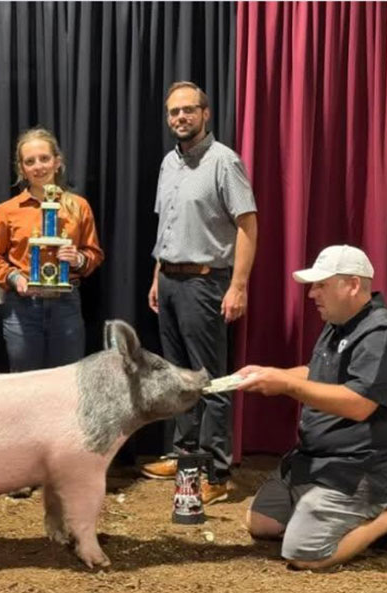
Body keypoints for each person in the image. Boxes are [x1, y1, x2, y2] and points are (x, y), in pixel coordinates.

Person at [237, 245, 387, 569]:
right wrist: (270, 374)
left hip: (355, 469)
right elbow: (319, 375)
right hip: (312, 460)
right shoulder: (337, 323)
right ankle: (330, 514)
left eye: (321, 284)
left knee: (302, 555)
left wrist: (285, 385)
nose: (312, 293)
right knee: (261, 523)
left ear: (353, 285)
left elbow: (359, 404)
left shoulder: (385, 333)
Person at [141, 81, 258, 506]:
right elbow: (166, 226)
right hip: (170, 280)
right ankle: (184, 455)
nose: (180, 118)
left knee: (211, 380)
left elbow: (247, 225)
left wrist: (238, 285)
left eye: (188, 110)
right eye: (174, 112)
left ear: (205, 114)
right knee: (178, 377)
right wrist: (158, 276)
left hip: (206, 283)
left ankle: (217, 471)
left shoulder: (224, 162)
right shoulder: (168, 164)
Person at [0, 127, 104, 372]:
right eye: (30, 161)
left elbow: (95, 254)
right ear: (22, 169)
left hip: (66, 304)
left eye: (44, 158)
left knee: (67, 381)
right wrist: (14, 277)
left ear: (57, 162)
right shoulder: (8, 210)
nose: (38, 166)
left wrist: (78, 259)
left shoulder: (78, 207)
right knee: (25, 382)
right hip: (22, 307)